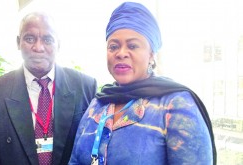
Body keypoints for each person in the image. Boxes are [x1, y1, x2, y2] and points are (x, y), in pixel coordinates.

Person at [69, 2, 216, 165]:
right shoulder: (98, 103)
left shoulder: (176, 104)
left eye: (132, 45)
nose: (121, 53)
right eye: (113, 46)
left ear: (151, 54)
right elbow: (75, 160)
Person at [0, 12, 97, 165]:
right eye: (29, 38)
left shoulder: (85, 86)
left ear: (58, 44)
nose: (38, 47)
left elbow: (93, 150)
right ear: (18, 42)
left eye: (47, 39)